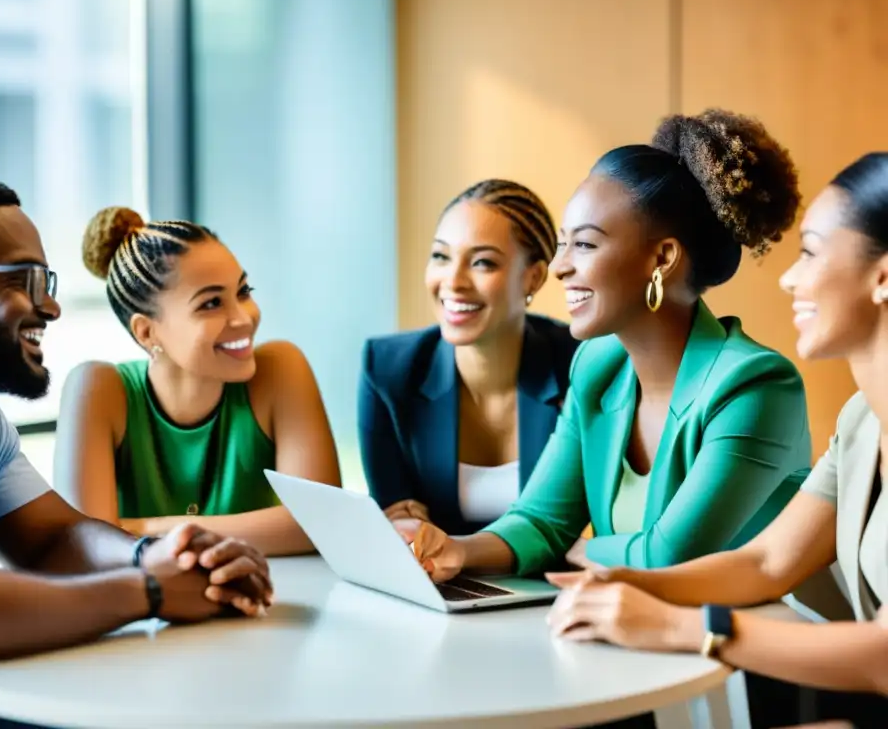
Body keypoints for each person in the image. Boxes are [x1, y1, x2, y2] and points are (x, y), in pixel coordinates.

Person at [0, 173, 271, 729]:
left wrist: (157, 555)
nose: (51, 307)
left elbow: (54, 538)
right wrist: (151, 591)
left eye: (47, 280)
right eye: (24, 281)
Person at [543, 152, 888, 725]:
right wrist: (622, 580)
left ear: (882, 276)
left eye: (809, 253)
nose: (788, 277)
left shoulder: (755, 381)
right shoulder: (861, 423)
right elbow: (768, 559)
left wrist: (681, 625)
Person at [402, 109, 812, 580]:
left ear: (662, 258)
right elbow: (541, 522)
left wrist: (584, 552)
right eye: (562, 245)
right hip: (637, 633)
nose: (560, 268)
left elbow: (670, 558)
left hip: (753, 638)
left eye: (586, 246)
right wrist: (458, 549)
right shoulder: (598, 368)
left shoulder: (755, 386)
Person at [54, 207, 340, 556]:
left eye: (243, 291)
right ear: (147, 331)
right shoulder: (97, 388)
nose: (244, 317)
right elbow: (84, 544)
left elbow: (321, 525)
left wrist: (144, 529)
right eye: (211, 303)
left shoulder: (281, 369)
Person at [359, 179, 578, 535]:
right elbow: (397, 525)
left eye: (482, 263)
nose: (454, 281)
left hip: (557, 585)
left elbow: (573, 523)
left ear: (533, 278)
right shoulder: (386, 370)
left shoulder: (579, 364)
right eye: (440, 256)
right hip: (438, 586)